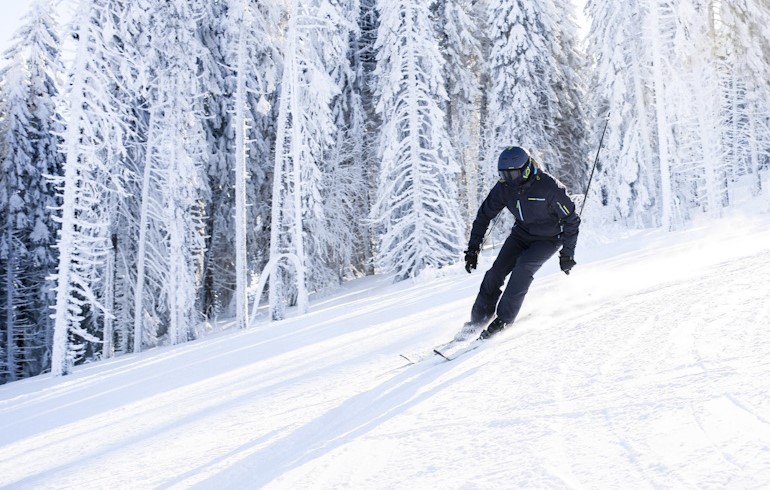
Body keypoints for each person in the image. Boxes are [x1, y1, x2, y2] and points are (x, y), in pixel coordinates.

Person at [456, 146, 581, 341]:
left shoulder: (549, 188)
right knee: (495, 272)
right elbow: (484, 216)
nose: (508, 179)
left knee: (523, 269)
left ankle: (504, 319)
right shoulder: (504, 187)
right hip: (522, 234)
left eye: (512, 174)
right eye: (503, 174)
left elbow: (571, 220)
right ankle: (477, 320)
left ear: (526, 169)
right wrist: (473, 249)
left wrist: (567, 254)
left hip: (549, 238)